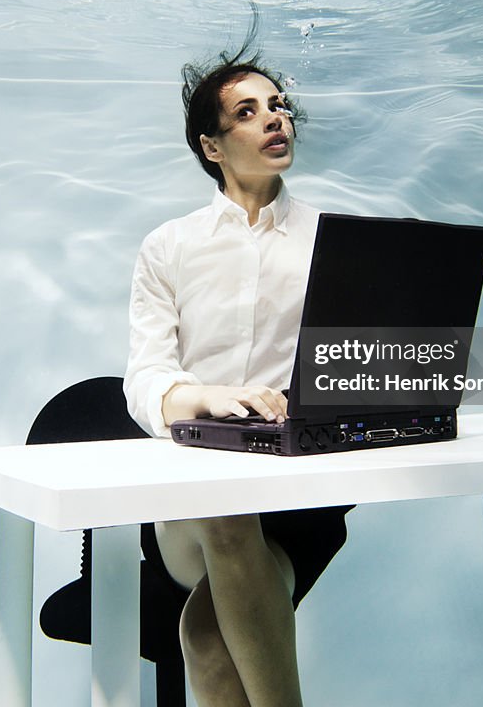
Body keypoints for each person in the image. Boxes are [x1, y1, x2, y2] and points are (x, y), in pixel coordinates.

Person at [124, 43, 350, 707]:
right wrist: (206, 398)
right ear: (213, 146)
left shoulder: (332, 242)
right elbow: (144, 378)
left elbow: (363, 366)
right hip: (190, 503)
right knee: (224, 514)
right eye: (248, 112)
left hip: (301, 491)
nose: (274, 119)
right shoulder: (167, 247)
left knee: (204, 632)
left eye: (278, 106)